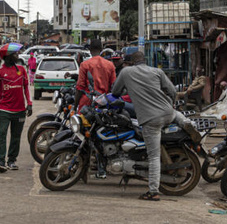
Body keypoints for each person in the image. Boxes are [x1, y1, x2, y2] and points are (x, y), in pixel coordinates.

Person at [111, 51, 201, 201]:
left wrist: (129, 89)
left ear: (131, 63)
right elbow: (172, 91)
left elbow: (115, 92)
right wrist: (171, 102)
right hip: (168, 111)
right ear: (144, 61)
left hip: (151, 119)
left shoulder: (126, 72)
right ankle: (188, 124)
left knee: (154, 156)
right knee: (175, 115)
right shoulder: (156, 71)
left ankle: (153, 191)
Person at [0, 43, 32, 173]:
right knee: (2, 134)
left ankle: (12, 160)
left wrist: (29, 103)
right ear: (7, 56)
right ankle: (1, 161)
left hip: (20, 110)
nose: (17, 55)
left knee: (16, 136)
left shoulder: (22, 70)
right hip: (3, 110)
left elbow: (26, 88)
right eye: (15, 53)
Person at [75, 41, 118, 110]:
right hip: (104, 102)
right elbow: (113, 85)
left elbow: (80, 87)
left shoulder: (85, 64)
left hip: (87, 102)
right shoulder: (110, 65)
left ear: (90, 50)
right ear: (101, 50)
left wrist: (74, 106)